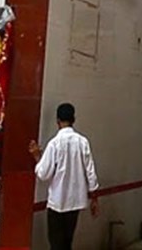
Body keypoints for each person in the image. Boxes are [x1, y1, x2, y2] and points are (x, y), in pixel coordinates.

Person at [29, 102, 99, 250]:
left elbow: (43, 173)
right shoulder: (82, 142)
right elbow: (90, 172)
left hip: (57, 202)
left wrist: (37, 156)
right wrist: (94, 199)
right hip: (76, 203)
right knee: (67, 242)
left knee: (56, 244)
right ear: (74, 119)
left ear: (57, 121)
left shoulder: (54, 144)